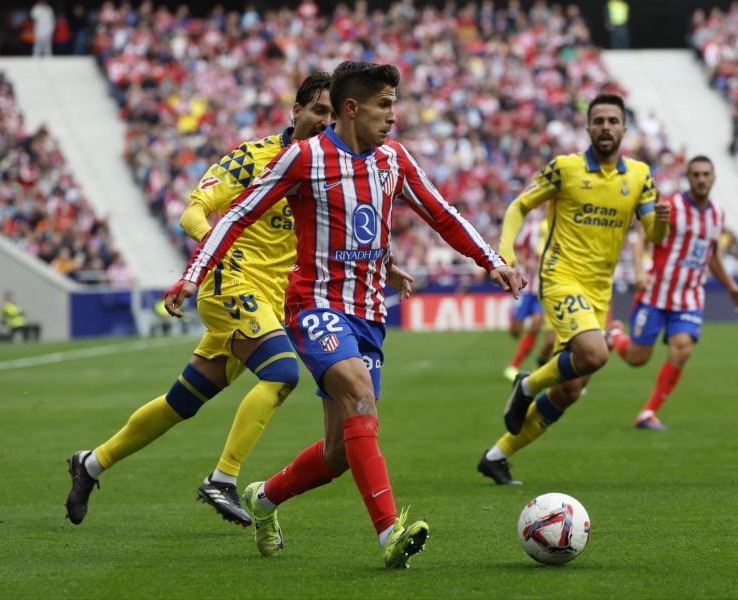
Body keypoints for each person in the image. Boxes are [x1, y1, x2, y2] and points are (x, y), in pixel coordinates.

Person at [165, 60, 526, 568]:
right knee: (358, 395)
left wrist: (493, 262)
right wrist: (194, 273)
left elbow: (443, 213)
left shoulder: (393, 159)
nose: (393, 116)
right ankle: (389, 534)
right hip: (315, 306)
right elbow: (239, 214)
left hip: (369, 315)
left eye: (394, 104)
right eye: (384, 104)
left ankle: (262, 498)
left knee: (339, 450)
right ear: (352, 108)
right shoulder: (305, 159)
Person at [65, 73, 373, 528]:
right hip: (230, 283)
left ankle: (91, 463)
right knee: (283, 372)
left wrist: (384, 264)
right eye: (318, 111)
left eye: (332, 114)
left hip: (270, 301)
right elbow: (193, 211)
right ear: (297, 111)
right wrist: (218, 246)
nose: (325, 121)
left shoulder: (327, 168)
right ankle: (223, 479)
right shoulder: (254, 157)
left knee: (181, 403)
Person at [478, 93, 670, 485]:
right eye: (597, 120)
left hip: (599, 290)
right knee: (595, 353)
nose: (605, 127)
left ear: (623, 128)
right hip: (561, 277)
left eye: (612, 121)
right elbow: (519, 206)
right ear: (587, 127)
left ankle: (497, 455)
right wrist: (505, 253)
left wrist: (663, 221)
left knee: (570, 390)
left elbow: (653, 233)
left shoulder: (639, 176)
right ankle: (527, 384)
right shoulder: (565, 168)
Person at [606, 156, 738, 430]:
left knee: (682, 349)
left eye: (706, 174)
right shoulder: (671, 206)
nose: (701, 179)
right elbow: (641, 238)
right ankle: (614, 334)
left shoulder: (718, 214)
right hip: (655, 294)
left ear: (714, 177)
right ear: (688, 177)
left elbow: (711, 254)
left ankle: (648, 413)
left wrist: (731, 286)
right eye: (696, 174)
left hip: (689, 297)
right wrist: (639, 271)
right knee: (638, 358)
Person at [503, 214, 549, 381]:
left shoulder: (559, 226)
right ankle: (513, 317)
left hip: (543, 287)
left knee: (536, 324)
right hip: (526, 286)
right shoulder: (532, 228)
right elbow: (517, 248)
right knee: (515, 331)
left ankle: (514, 364)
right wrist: (526, 262)